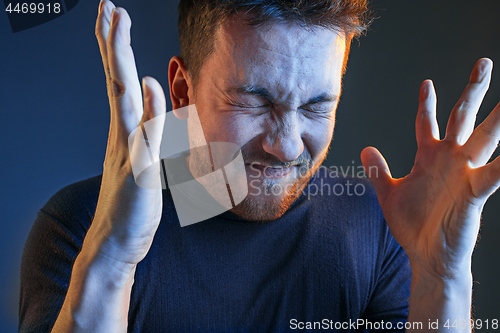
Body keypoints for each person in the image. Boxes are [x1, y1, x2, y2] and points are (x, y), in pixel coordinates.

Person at [18, 0, 500, 332]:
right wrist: (111, 260)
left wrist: (442, 280)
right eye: (253, 101)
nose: (287, 147)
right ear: (183, 91)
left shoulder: (377, 227)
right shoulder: (81, 228)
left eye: (316, 106)